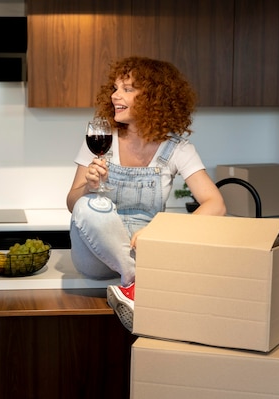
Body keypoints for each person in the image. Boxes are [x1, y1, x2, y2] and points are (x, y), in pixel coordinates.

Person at [66, 56, 226, 331]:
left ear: (155, 98)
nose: (116, 95)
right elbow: (72, 204)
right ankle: (137, 281)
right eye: (115, 88)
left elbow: (216, 205)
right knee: (87, 206)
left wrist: (163, 231)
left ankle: (133, 286)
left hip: (146, 249)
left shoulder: (177, 148)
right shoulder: (100, 140)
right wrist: (89, 187)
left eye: (127, 89)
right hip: (96, 255)